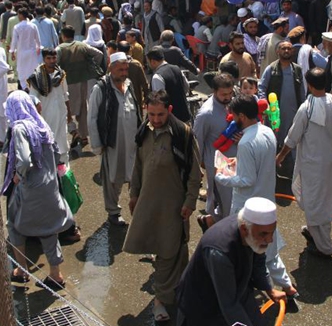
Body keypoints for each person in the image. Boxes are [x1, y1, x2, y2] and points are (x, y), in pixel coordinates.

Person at [124, 90, 200, 322]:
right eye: (152, 114)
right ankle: (179, 291)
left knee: (170, 251)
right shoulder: (144, 131)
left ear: (170, 111)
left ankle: (160, 301)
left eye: (160, 115)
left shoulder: (183, 135)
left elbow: (195, 174)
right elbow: (137, 166)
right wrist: (133, 194)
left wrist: (189, 202)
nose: (155, 120)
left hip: (173, 206)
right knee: (164, 250)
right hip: (148, 203)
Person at [215, 95, 298, 300]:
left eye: (234, 115)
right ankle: (287, 284)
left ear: (242, 116)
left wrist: (222, 177)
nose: (232, 119)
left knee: (249, 251)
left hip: (248, 206)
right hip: (267, 199)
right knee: (270, 249)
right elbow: (260, 165)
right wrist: (238, 162)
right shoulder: (267, 131)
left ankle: (247, 289)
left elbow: (246, 180)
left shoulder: (245, 142)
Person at [2, 91, 75, 291]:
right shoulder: (41, 124)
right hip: (49, 187)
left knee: (14, 224)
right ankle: (55, 274)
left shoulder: (19, 128)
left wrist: (17, 175)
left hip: (30, 189)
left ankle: (21, 270)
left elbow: (25, 160)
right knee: (48, 228)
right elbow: (56, 152)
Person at [176, 197, 286, 326]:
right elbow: (229, 303)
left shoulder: (254, 231)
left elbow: (259, 261)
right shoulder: (219, 252)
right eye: (264, 234)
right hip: (203, 304)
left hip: (236, 291)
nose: (270, 240)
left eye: (272, 233)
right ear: (244, 229)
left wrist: (268, 288)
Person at [276, 68, 332, 256]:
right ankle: (314, 232)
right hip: (330, 164)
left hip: (314, 167)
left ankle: (325, 247)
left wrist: (280, 156)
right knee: (320, 202)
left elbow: (292, 138)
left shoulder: (306, 109)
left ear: (309, 85)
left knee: (317, 205)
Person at [87, 52, 142, 226]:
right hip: (113, 141)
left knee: (136, 174)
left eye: (126, 69)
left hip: (132, 140)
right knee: (113, 178)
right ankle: (113, 211)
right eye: (120, 69)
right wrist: (97, 144)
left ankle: (138, 207)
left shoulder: (129, 84)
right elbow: (92, 118)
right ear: (111, 68)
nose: (124, 73)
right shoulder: (101, 88)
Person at [194, 74, 237, 230]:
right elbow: (196, 142)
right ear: (214, 91)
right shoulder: (206, 114)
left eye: (230, 93)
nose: (228, 97)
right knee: (226, 204)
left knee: (235, 203)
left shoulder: (234, 103)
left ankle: (209, 222)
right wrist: (196, 167)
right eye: (223, 94)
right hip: (218, 167)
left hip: (236, 163)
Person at [258, 40, 306, 177]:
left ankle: (293, 173)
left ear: (292, 52)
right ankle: (269, 170)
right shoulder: (271, 69)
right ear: (277, 51)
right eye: (283, 48)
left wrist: (303, 108)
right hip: (275, 115)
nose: (286, 51)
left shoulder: (297, 70)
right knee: (273, 141)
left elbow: (302, 91)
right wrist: (264, 103)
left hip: (292, 113)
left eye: (289, 49)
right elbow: (261, 87)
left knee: (292, 140)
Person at [56, 27, 105, 149]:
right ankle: (84, 136)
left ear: (63, 35)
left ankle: (74, 131)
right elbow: (99, 54)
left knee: (65, 109)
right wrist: (90, 68)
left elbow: (54, 64)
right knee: (83, 108)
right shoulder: (82, 46)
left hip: (66, 82)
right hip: (82, 81)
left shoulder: (60, 49)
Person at [27, 48, 70, 163]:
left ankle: (64, 171)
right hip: (46, 115)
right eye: (48, 58)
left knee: (62, 143)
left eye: (54, 58)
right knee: (48, 142)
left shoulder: (61, 74)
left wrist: (69, 114)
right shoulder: (36, 77)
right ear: (44, 59)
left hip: (61, 113)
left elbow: (65, 95)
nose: (52, 61)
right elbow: (33, 98)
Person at [147, 46, 191, 123]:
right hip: (184, 115)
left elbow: (159, 102)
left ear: (153, 61)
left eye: (148, 62)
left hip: (171, 122)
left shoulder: (157, 77)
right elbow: (186, 87)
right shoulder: (176, 68)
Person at [9, 8, 42, 90]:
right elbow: (38, 40)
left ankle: (24, 88)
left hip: (21, 53)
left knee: (22, 70)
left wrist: (12, 52)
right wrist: (38, 48)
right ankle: (32, 88)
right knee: (32, 70)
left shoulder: (17, 27)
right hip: (32, 52)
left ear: (21, 15)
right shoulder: (33, 26)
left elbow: (14, 42)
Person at [116, 40, 149, 108]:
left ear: (117, 50)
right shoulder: (136, 64)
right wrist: (146, 99)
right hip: (135, 100)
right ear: (130, 50)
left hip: (118, 101)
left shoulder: (113, 65)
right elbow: (144, 83)